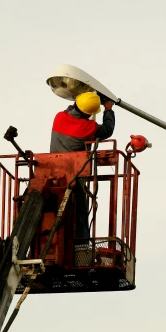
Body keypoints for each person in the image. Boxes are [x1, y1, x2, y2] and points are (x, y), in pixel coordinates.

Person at [49, 91, 115, 240]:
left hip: (52, 172)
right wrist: (108, 108)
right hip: (75, 176)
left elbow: (70, 110)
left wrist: (86, 98)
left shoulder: (59, 117)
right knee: (80, 213)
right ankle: (82, 246)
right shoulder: (88, 127)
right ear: (89, 114)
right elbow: (107, 129)